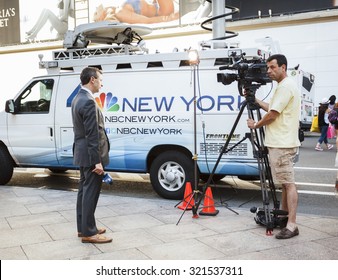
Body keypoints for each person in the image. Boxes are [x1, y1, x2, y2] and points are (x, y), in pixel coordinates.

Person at [247, 54, 300, 239]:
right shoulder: (284, 86)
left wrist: (256, 125)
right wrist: (257, 101)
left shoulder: (285, 86)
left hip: (282, 143)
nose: (268, 71)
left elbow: (273, 115)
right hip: (281, 142)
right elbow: (273, 108)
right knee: (285, 185)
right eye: (268, 67)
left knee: (288, 184)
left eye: (272, 67)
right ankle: (286, 219)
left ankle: (292, 225)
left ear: (283, 67)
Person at [71, 67, 112, 244]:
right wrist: (97, 162)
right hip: (90, 156)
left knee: (83, 191)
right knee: (90, 193)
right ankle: (89, 232)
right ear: (92, 80)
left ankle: (84, 227)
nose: (102, 84)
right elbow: (91, 134)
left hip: (82, 153)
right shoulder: (87, 101)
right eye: (100, 80)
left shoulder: (78, 98)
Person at [93, 0, 179, 24]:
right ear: (103, 16)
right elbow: (147, 21)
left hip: (158, 6)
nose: (97, 8)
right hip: (162, 11)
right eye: (97, 12)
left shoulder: (119, 9)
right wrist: (170, 18)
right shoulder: (120, 13)